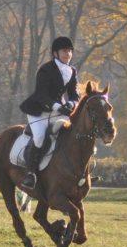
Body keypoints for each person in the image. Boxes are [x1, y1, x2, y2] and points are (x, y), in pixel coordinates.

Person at [18, 36, 80, 189]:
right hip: (38, 111)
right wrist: (58, 107)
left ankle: (77, 172)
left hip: (59, 112)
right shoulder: (45, 70)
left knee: (74, 133)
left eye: (69, 51)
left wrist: (71, 103)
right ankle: (30, 173)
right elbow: (41, 95)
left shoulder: (72, 71)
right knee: (40, 138)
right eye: (64, 51)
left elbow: (74, 95)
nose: (68, 54)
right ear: (55, 53)